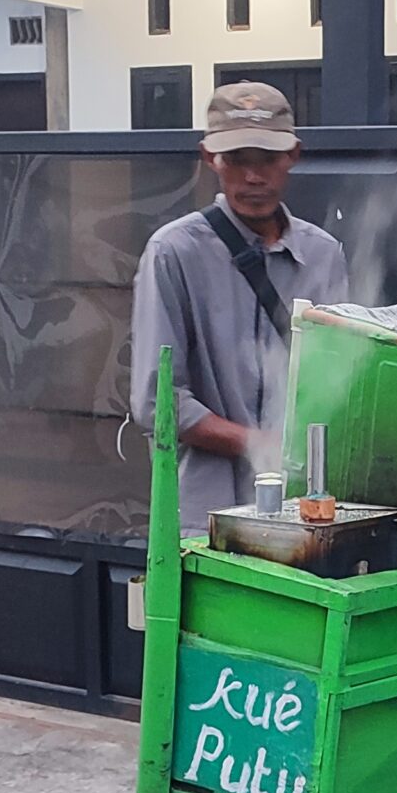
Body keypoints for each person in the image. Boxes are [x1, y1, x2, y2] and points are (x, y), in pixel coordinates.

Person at [127, 82, 348, 528]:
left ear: (294, 156)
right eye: (237, 160)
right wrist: (261, 445)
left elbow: (340, 380)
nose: (253, 177)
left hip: (305, 512)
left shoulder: (324, 253)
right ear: (210, 158)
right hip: (204, 518)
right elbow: (157, 401)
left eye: (267, 159)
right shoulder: (174, 252)